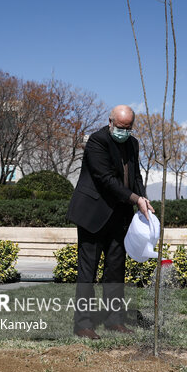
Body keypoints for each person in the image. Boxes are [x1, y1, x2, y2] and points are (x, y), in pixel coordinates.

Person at [67, 104, 154, 339]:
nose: (123, 131)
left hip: (119, 217)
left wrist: (142, 198)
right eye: (120, 127)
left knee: (116, 270)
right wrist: (135, 198)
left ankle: (114, 320)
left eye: (128, 128)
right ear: (110, 122)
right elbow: (105, 178)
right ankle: (83, 324)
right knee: (88, 271)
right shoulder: (97, 141)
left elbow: (135, 176)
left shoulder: (133, 144)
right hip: (93, 214)